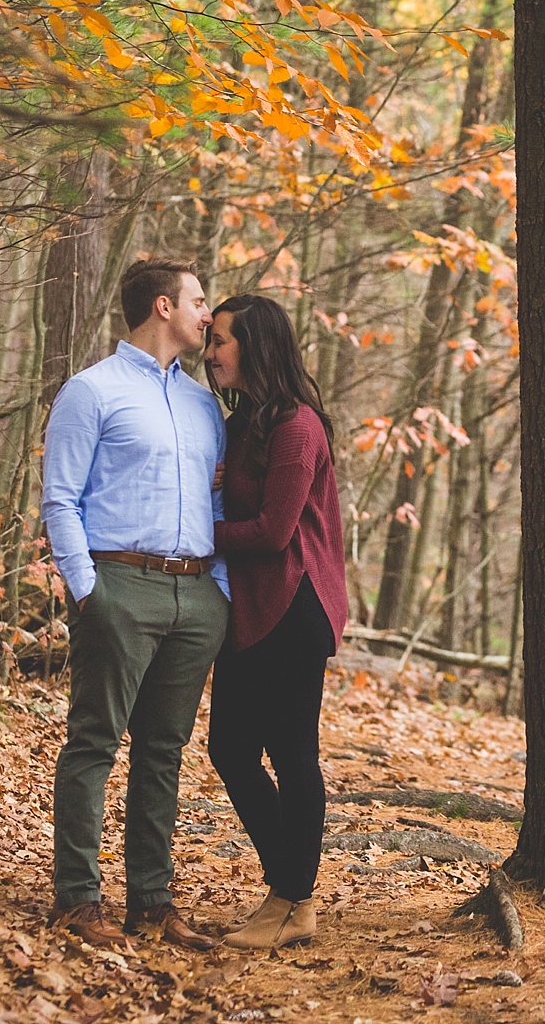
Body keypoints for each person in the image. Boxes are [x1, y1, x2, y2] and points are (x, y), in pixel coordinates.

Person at [40, 259, 230, 951]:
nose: (207, 313)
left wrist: (222, 595)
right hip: (119, 585)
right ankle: (77, 898)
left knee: (163, 752)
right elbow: (60, 497)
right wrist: (89, 590)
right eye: (199, 300)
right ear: (163, 306)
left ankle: (152, 901)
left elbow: (216, 502)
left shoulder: (203, 403)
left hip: (195, 595)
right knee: (93, 742)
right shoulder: (91, 392)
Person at [201, 294, 348, 951]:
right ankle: (287, 889)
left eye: (221, 340)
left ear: (256, 345)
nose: (210, 353)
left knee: (293, 757)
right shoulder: (242, 423)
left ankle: (296, 901)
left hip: (296, 607)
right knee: (229, 749)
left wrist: (193, 534)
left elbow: (273, 530)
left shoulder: (297, 427)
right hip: (253, 608)